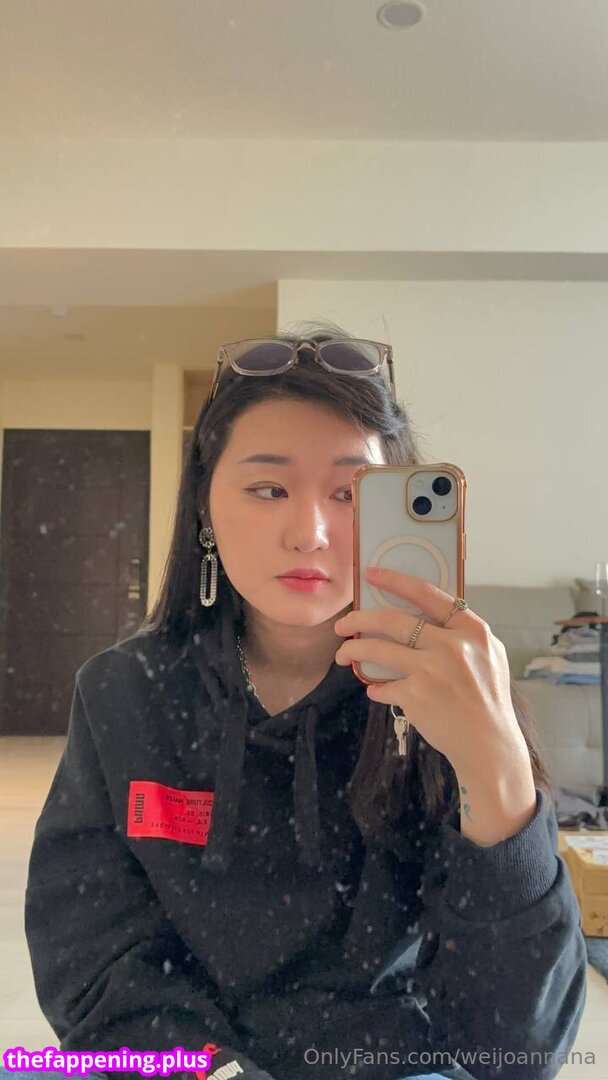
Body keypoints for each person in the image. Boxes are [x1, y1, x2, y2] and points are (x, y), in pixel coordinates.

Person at [20, 324, 586, 1080]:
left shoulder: (455, 691)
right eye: (268, 489)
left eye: (350, 494)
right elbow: (93, 962)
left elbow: (518, 1046)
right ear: (205, 508)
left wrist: (496, 768)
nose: (309, 533)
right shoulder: (123, 692)